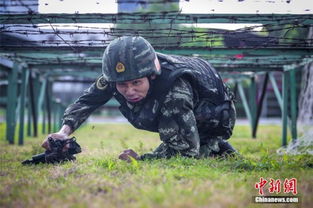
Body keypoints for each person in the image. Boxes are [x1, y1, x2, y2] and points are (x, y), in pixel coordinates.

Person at [42, 36, 237, 162]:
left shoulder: (174, 91)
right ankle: (215, 147)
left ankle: (211, 142)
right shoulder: (117, 76)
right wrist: (63, 133)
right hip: (191, 109)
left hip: (216, 115)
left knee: (186, 147)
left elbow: (185, 153)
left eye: (136, 83)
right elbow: (87, 101)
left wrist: (141, 159)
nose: (129, 91)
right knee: (193, 145)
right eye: (123, 85)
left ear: (151, 75)